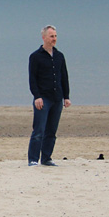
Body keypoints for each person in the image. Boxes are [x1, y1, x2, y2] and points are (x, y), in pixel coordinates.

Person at [28, 25, 71, 166]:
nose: (54, 39)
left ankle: (46, 158)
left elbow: (64, 77)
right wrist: (37, 96)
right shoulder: (35, 56)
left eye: (56, 36)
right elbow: (32, 79)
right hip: (43, 98)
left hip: (57, 98)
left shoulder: (59, 56)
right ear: (44, 37)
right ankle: (33, 159)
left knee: (51, 131)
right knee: (39, 130)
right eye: (52, 36)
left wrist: (66, 96)